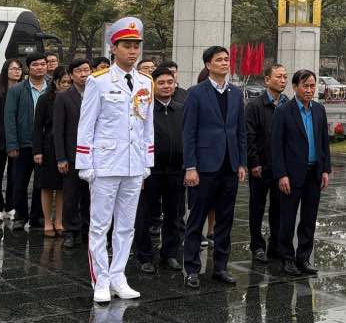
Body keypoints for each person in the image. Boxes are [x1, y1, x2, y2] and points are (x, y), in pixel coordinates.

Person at [76, 17, 154, 304]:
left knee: (126, 225)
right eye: (127, 46)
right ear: (114, 47)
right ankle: (101, 279)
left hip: (134, 164)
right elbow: (86, 124)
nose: (133, 51)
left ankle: (119, 276)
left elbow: (147, 125)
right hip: (106, 163)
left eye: (136, 46)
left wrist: (148, 161)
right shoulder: (98, 81)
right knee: (99, 225)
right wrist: (85, 163)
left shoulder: (146, 81)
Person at [181, 45, 247, 287]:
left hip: (229, 165)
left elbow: (240, 131)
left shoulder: (236, 93)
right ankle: (191, 269)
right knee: (196, 219)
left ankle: (220, 266)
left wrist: (241, 162)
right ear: (208, 65)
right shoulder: (196, 93)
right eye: (219, 60)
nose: (224, 63)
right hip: (204, 167)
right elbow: (189, 132)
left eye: (226, 59)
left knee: (225, 219)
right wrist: (190, 166)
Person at [270, 69, 331, 277]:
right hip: (291, 174)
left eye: (313, 85)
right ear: (295, 87)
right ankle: (286, 258)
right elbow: (276, 146)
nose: (309, 89)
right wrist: (281, 174)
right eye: (305, 85)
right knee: (286, 218)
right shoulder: (283, 111)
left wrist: (325, 169)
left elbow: (324, 142)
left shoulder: (319, 110)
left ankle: (303, 257)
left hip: (314, 173)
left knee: (309, 218)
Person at [133, 67, 185, 273]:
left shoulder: (182, 108)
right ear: (152, 85)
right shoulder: (143, 109)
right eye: (161, 82)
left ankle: (170, 254)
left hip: (176, 170)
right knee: (145, 214)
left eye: (169, 82)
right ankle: (144, 256)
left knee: (174, 214)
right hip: (150, 171)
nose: (166, 86)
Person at [246, 63, 287, 262]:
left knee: (279, 208)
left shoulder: (287, 105)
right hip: (260, 167)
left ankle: (276, 244)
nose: (283, 80)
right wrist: (254, 163)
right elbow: (249, 136)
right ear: (267, 80)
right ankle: (256, 246)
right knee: (257, 207)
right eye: (279, 76)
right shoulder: (255, 106)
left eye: (285, 77)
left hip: (280, 168)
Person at [6, 52, 49, 228]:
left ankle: (37, 216)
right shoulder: (17, 89)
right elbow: (9, 117)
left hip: (45, 144)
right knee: (19, 182)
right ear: (28, 68)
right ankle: (20, 216)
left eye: (43, 64)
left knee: (42, 182)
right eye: (35, 65)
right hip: (23, 143)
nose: (40, 67)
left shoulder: (52, 88)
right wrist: (12, 143)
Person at [54, 58, 92, 250]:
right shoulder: (63, 97)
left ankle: (87, 230)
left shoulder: (97, 94)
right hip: (71, 155)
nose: (84, 74)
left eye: (87, 70)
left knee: (90, 196)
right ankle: (70, 231)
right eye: (79, 71)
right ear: (71, 75)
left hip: (94, 156)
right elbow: (58, 129)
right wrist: (61, 157)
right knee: (71, 196)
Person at [34, 67, 71, 237]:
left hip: (67, 145)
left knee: (63, 187)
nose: (66, 85)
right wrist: (37, 150)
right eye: (62, 82)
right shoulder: (45, 99)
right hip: (48, 145)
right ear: (55, 82)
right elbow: (37, 127)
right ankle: (48, 222)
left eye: (68, 82)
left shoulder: (74, 98)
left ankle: (59, 221)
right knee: (47, 186)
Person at [0, 58, 23, 225]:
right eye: (13, 68)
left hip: (18, 140)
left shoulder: (24, 91)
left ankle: (11, 207)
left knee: (15, 176)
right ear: (5, 71)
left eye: (19, 69)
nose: (17, 71)